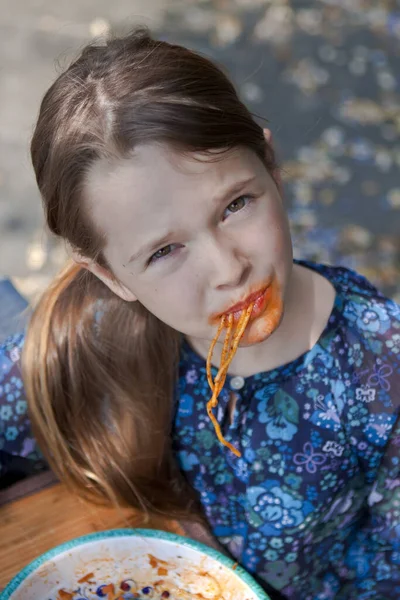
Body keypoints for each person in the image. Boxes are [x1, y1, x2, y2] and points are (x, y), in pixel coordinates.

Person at [1, 27, 399, 600]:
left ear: (271, 166)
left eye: (235, 204)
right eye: (164, 251)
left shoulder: (381, 372)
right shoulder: (98, 334)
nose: (226, 270)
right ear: (112, 276)